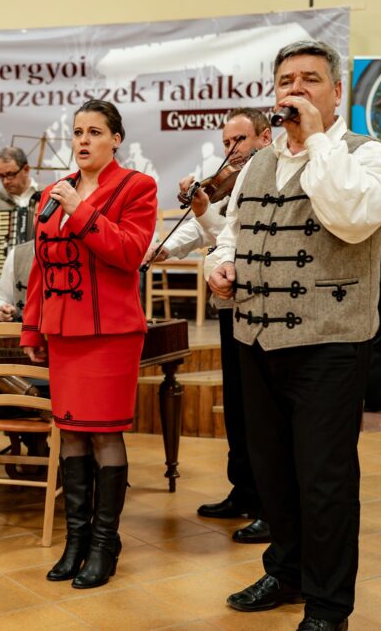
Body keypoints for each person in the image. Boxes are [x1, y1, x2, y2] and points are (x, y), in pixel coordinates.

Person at [207, 41, 381, 631]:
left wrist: (317, 139)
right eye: (285, 80)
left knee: (324, 481)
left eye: (310, 79)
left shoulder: (368, 156)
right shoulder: (257, 163)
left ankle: (328, 606)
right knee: (272, 473)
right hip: (256, 340)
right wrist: (221, 264)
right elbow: (232, 232)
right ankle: (286, 572)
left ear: (337, 92)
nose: (296, 90)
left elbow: (351, 217)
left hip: (329, 345)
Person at [21, 100, 157, 589]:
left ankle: (104, 544)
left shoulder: (137, 187)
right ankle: (75, 541)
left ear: (115, 139)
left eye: (95, 132)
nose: (83, 140)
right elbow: (40, 266)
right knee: (71, 432)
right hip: (63, 333)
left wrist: (80, 211)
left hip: (110, 334)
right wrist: (32, 328)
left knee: (104, 434)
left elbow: (128, 252)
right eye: (77, 132)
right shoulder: (52, 193)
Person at [150, 108, 273, 545]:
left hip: (263, 307)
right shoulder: (229, 182)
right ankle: (244, 491)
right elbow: (208, 231)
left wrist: (203, 212)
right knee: (237, 405)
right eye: (225, 143)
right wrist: (164, 249)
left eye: (238, 140)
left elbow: (241, 236)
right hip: (230, 304)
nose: (230, 150)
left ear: (264, 137)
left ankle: (269, 505)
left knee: (260, 410)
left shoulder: (271, 176)